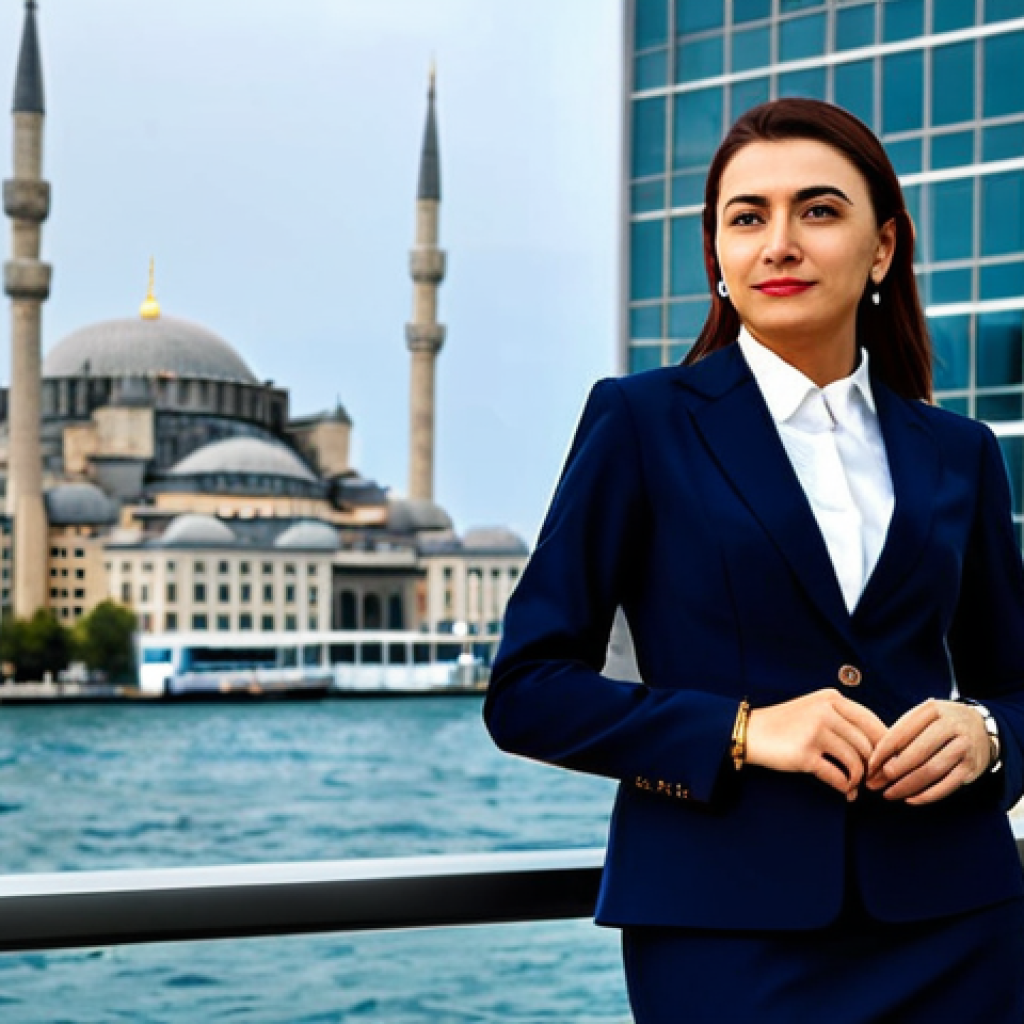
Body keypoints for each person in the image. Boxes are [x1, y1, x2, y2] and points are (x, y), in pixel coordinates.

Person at [482, 98, 1024, 1023]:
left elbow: (1013, 682)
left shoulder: (959, 450)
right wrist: (741, 730)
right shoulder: (640, 422)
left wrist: (990, 736)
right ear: (718, 256)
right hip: (724, 933)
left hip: (959, 923)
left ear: (883, 248)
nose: (779, 242)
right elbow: (528, 690)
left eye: (817, 210)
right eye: (747, 217)